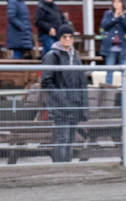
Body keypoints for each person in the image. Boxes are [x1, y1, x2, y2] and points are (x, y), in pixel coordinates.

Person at [41, 24, 88, 163]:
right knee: (63, 138)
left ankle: (68, 168)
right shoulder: (52, 55)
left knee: (70, 139)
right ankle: (60, 168)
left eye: (70, 36)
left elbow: (82, 84)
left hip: (75, 105)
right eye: (64, 36)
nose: (67, 39)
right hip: (61, 106)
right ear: (59, 38)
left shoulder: (76, 57)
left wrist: (83, 106)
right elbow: (46, 81)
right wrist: (62, 97)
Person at [100, 0, 126, 85]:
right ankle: (108, 92)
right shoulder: (108, 14)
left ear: (122, 4)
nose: (117, 4)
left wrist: (122, 16)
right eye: (115, 2)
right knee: (109, 70)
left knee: (125, 71)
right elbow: (104, 25)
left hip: (123, 48)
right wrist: (115, 17)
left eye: (119, 2)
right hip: (110, 48)